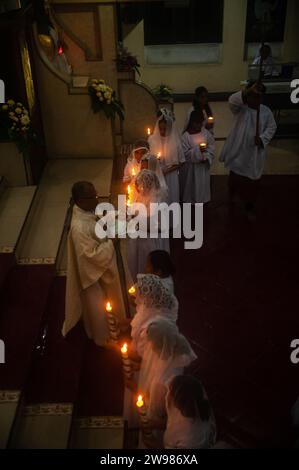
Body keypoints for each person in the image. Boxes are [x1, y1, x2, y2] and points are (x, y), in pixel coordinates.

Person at [62, 181, 121, 346]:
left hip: (98, 270)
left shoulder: (84, 211)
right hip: (93, 278)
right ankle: (103, 338)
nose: (97, 200)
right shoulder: (78, 228)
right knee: (98, 309)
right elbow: (90, 256)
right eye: (93, 197)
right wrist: (111, 242)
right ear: (80, 200)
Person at [219, 81, 277, 216]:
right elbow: (232, 100)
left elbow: (272, 127)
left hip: (254, 153)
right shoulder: (240, 108)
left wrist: (262, 139)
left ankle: (249, 205)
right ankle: (231, 196)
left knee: (253, 181)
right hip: (239, 151)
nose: (257, 100)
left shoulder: (265, 111)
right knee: (235, 177)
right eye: (254, 96)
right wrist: (248, 90)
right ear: (248, 96)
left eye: (260, 97)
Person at [137, 319, 197, 448]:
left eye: (151, 343)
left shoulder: (162, 382)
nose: (149, 346)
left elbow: (160, 414)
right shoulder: (174, 350)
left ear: (160, 345)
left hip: (160, 423)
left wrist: (150, 425)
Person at [142, 375, 216, 449]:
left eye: (171, 393)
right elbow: (179, 422)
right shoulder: (197, 408)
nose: (167, 396)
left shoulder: (190, 438)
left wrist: (154, 445)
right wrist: (156, 424)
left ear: (180, 401)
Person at [126, 170, 170, 282]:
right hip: (141, 235)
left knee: (146, 262)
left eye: (139, 186)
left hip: (150, 238)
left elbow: (152, 223)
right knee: (139, 261)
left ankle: (150, 283)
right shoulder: (142, 195)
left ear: (146, 184)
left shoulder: (156, 200)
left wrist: (135, 219)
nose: (137, 189)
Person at [148, 108, 185, 204]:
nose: (163, 131)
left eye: (165, 129)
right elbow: (148, 159)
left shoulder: (175, 141)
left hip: (171, 177)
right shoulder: (152, 140)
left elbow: (182, 162)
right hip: (157, 176)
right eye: (160, 129)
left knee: (171, 200)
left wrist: (167, 171)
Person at [181, 110, 215, 204]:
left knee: (201, 187)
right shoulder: (185, 136)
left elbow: (211, 147)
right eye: (196, 123)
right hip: (191, 169)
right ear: (191, 123)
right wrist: (198, 151)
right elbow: (185, 154)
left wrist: (207, 157)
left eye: (200, 123)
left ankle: (203, 200)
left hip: (202, 169)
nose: (199, 126)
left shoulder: (206, 133)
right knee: (191, 188)